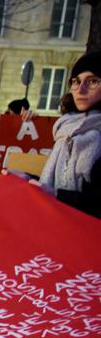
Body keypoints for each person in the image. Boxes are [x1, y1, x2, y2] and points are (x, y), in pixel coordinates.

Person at [39, 52, 101, 217]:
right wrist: (26, 178)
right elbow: (53, 180)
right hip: (56, 223)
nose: (81, 89)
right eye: (76, 81)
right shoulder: (65, 130)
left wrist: (58, 195)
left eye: (92, 81)